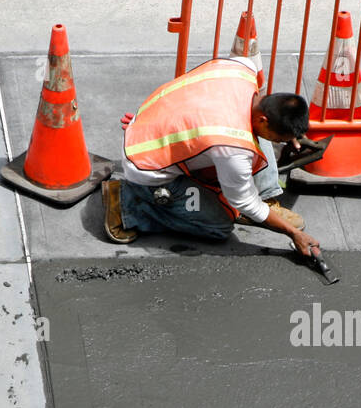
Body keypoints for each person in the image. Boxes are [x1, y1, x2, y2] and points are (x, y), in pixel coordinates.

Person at [102, 54, 321, 257]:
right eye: (279, 138)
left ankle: (264, 197)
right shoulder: (232, 146)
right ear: (264, 119)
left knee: (251, 142)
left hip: (156, 116)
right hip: (145, 166)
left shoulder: (243, 68)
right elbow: (244, 202)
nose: (280, 143)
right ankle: (127, 203)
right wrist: (293, 233)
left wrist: (290, 133)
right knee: (219, 227)